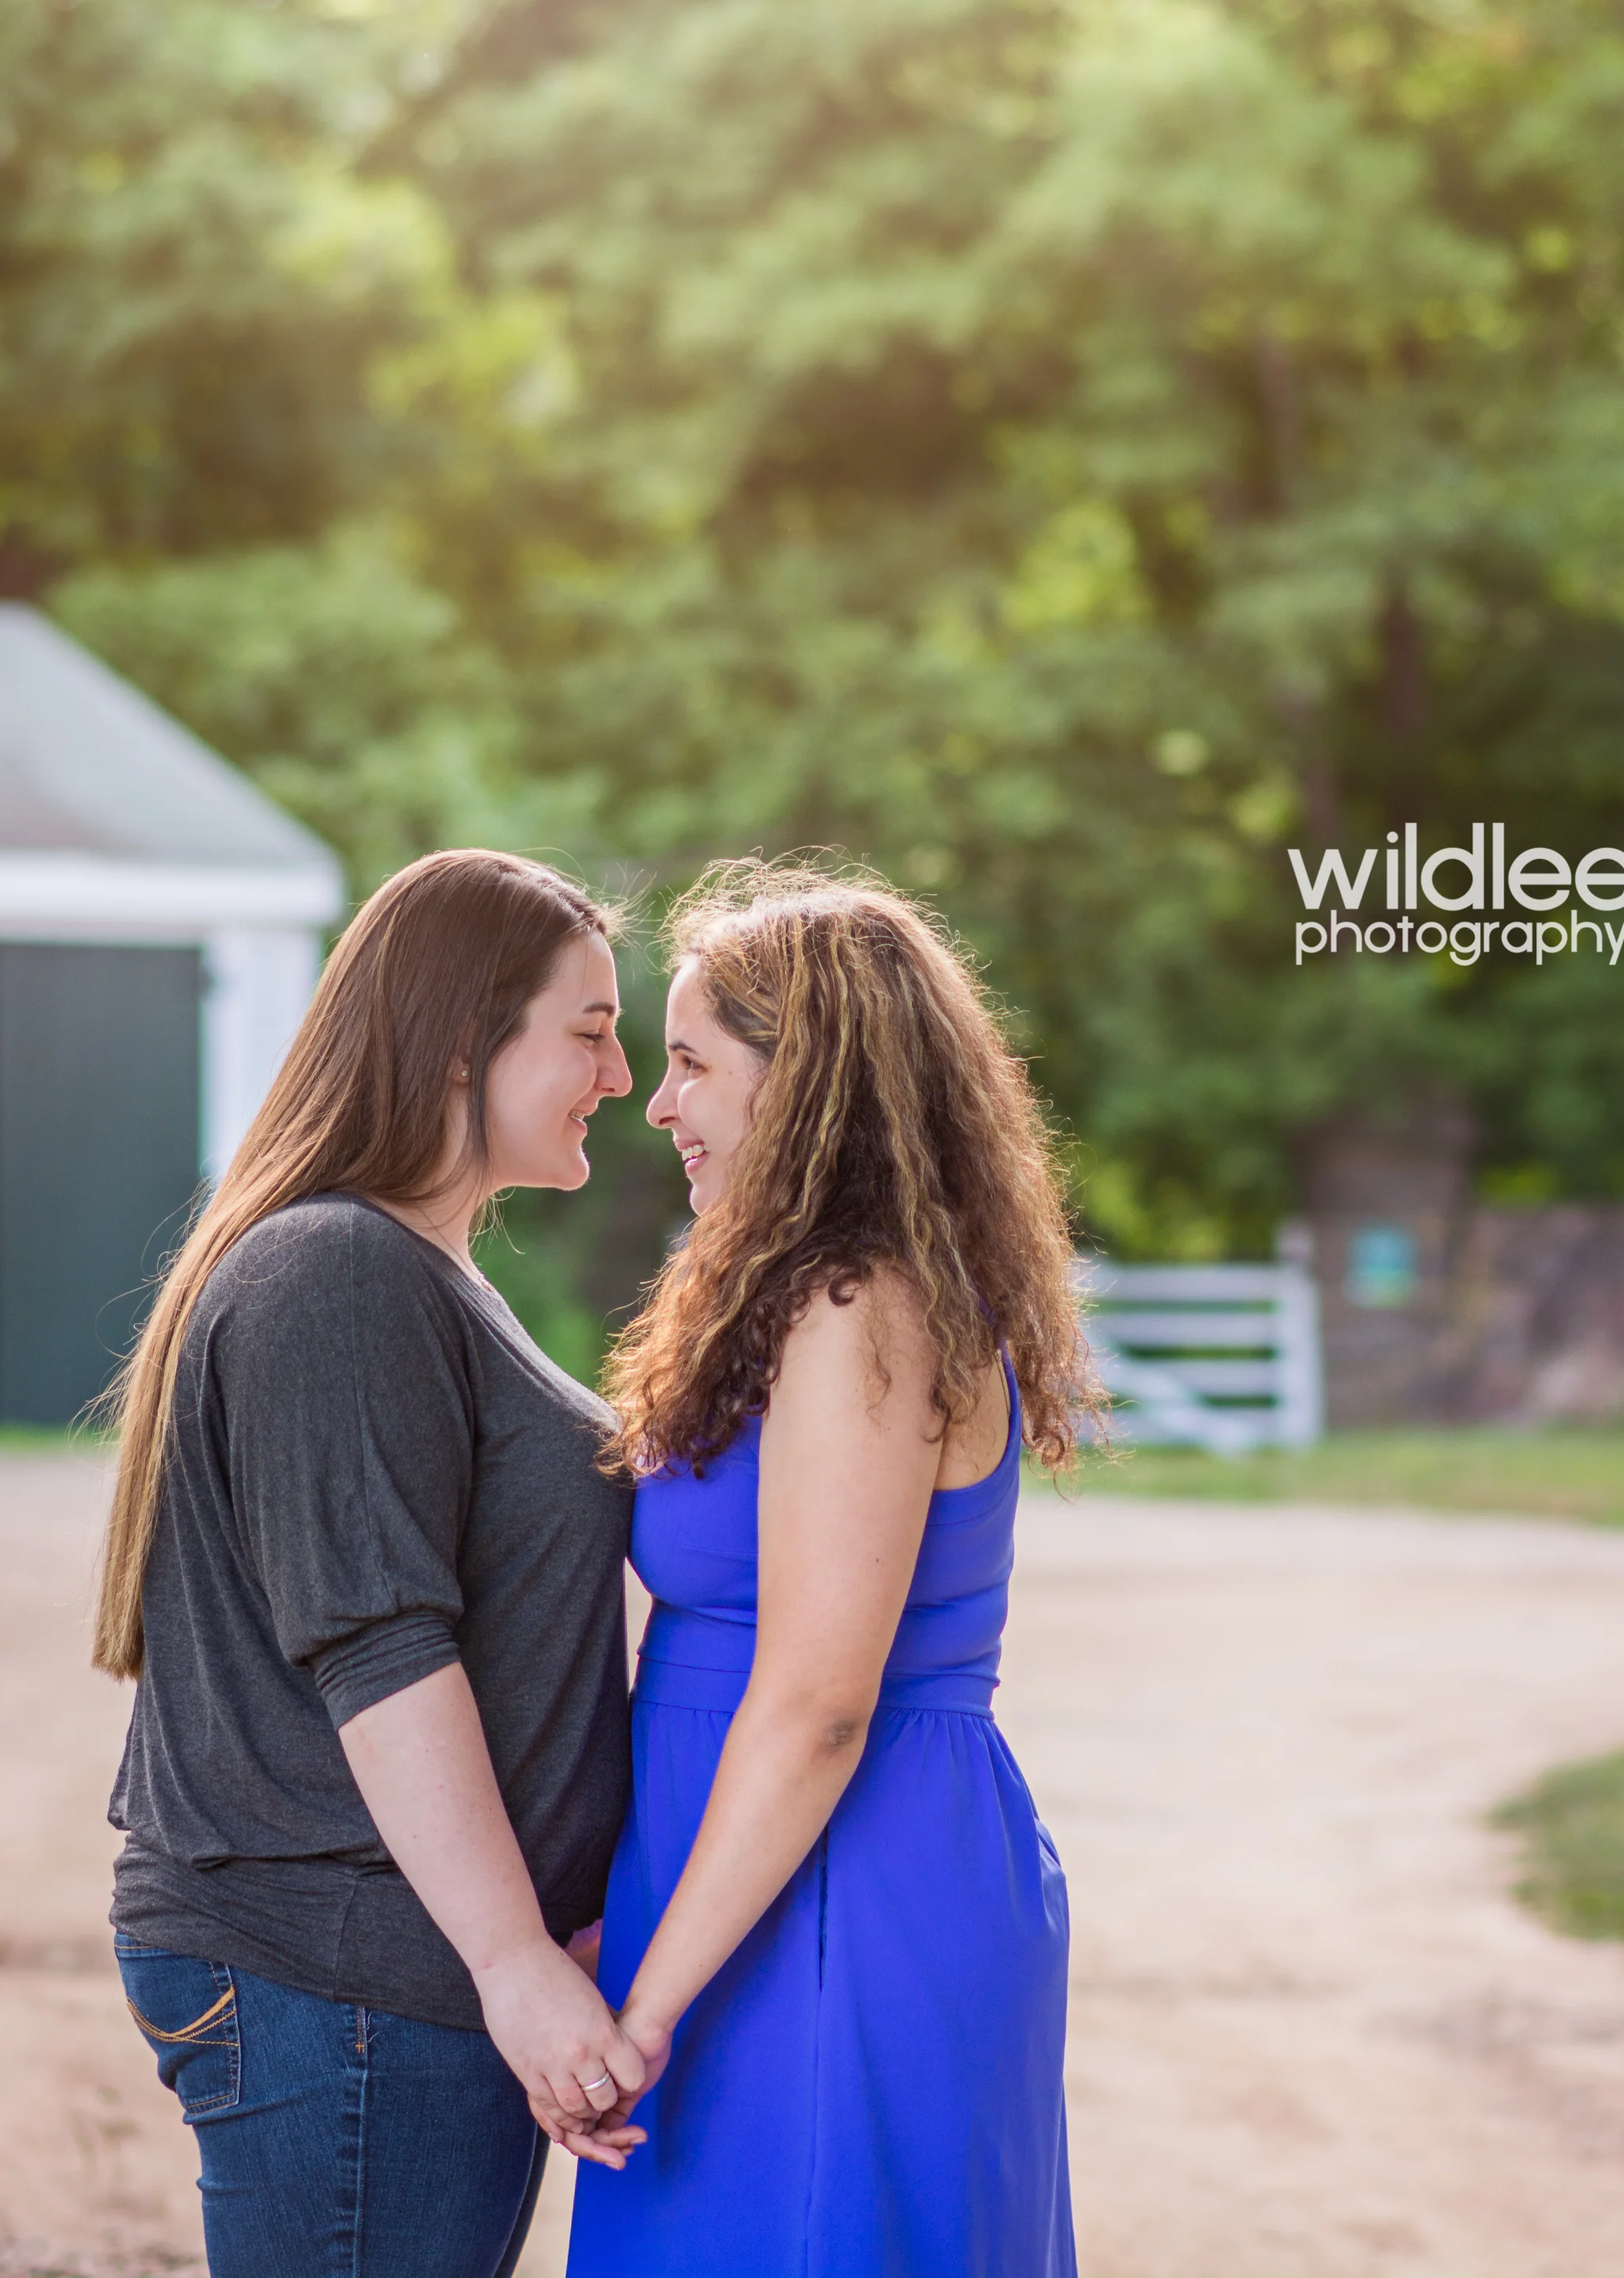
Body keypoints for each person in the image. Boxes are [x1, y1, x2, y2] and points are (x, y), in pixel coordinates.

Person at [95, 848, 647, 2278]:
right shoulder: (334, 1271)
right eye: (588, 1028)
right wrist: (517, 1965)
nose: (624, 1072)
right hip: (345, 1978)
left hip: (393, 1977)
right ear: (464, 1034)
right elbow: (382, 1653)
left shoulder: (410, 1268)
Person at [563, 863, 1089, 2278]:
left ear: (806, 1084)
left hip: (841, 1890)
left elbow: (815, 1706)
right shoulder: (801, 1293)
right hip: (750, 1879)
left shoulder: (865, 1306)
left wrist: (646, 2011)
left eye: (691, 1065)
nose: (658, 1103)